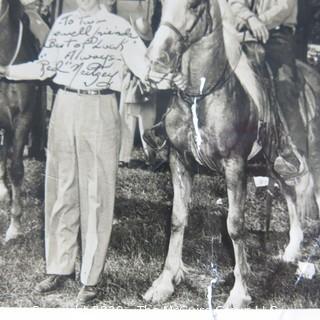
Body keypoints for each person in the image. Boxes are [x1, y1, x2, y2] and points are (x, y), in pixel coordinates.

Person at [0, 0, 183, 305]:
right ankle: (59, 267)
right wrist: (8, 70)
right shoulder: (64, 25)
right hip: (63, 107)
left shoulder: (119, 28)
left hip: (100, 107)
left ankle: (90, 279)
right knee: (60, 187)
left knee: (96, 194)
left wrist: (165, 77)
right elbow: (45, 67)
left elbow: (144, 69)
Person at [229, 0, 307, 177]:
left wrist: (258, 21)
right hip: (248, 35)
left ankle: (294, 152)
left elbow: (285, 7)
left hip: (277, 35)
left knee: (284, 86)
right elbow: (235, 3)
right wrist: (249, 18)